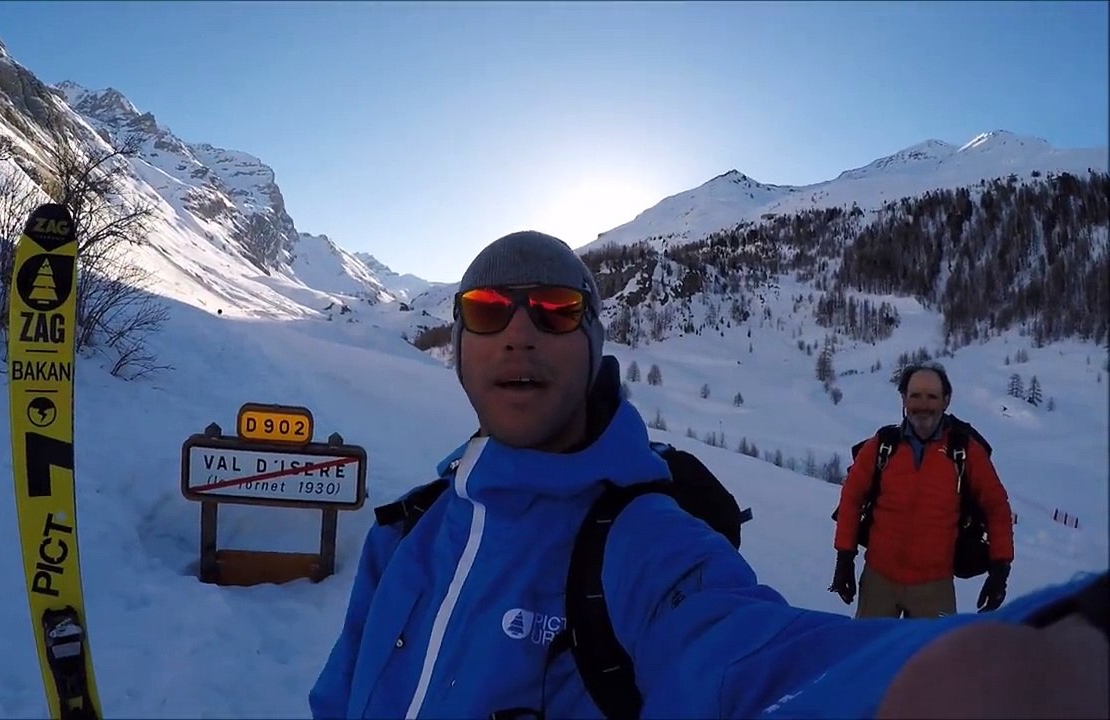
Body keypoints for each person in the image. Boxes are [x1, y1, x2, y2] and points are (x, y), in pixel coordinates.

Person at [309, 230, 1108, 719]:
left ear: (592, 345)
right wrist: (845, 554)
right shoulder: (409, 532)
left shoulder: (643, 543)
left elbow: (755, 667)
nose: (519, 333)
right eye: (488, 310)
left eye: (554, 309)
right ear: (459, 347)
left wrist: (1045, 641)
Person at [831, 363, 1016, 619]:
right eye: (915, 395)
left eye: (932, 396)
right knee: (874, 645)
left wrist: (1000, 568)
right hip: (878, 581)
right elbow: (851, 498)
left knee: (932, 647)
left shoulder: (965, 451)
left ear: (946, 400)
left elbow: (996, 507)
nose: (923, 404)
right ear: (904, 399)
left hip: (934, 587)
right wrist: (844, 558)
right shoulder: (882, 446)